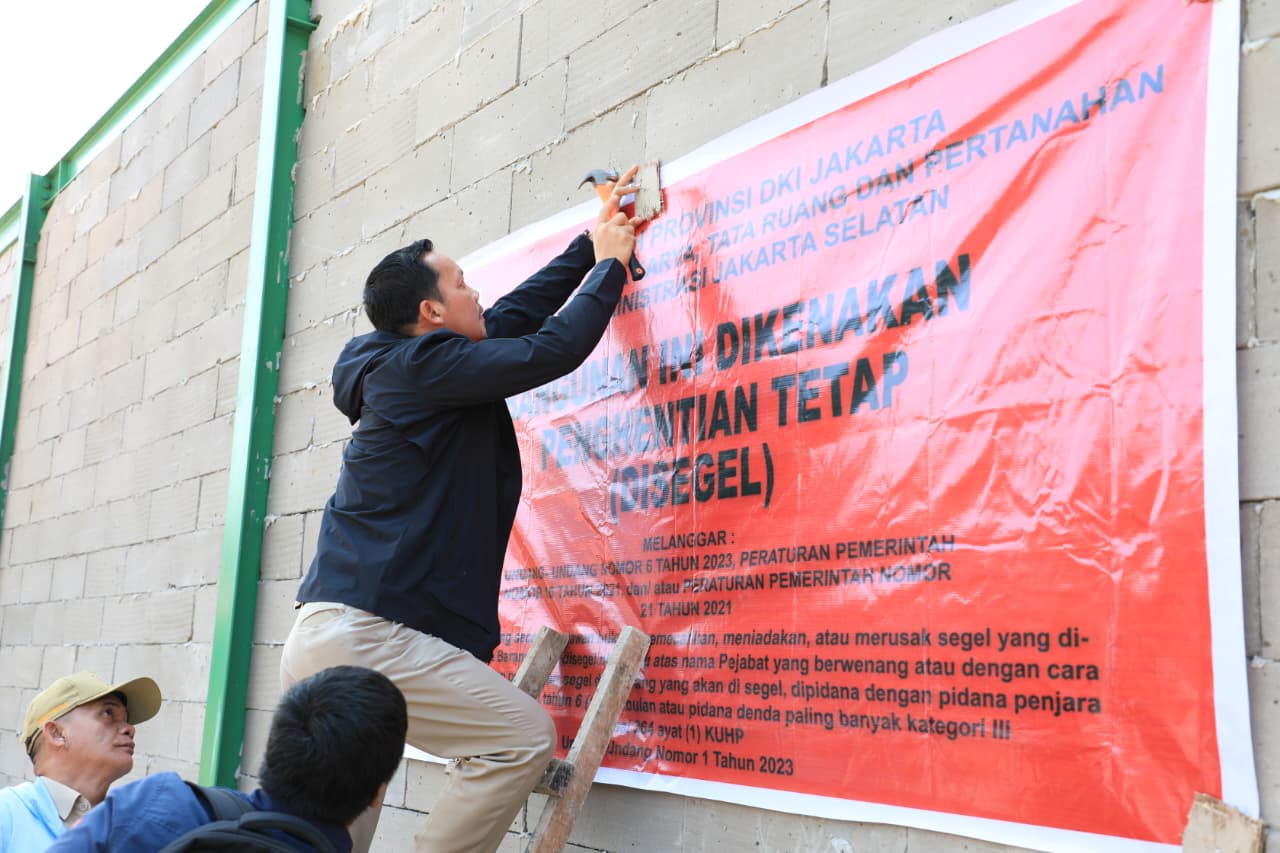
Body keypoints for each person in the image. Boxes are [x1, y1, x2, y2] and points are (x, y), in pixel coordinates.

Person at [279, 165, 642, 853]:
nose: (476, 292)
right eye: (461, 283)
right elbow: (552, 348)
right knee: (521, 737)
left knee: (332, 831)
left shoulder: (410, 369)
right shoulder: (421, 370)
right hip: (369, 637)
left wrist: (589, 246)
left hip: (324, 634)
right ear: (431, 313)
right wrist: (609, 269)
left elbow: (511, 319)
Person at [46, 665, 408, 852]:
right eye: (107, 714)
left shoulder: (158, 806)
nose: (128, 730)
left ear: (273, 752)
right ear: (377, 793)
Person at [0, 671, 162, 852]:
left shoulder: (133, 834)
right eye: (108, 713)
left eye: (125, 719)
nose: (130, 729)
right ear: (56, 733)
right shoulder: (6, 814)